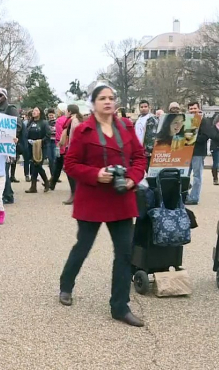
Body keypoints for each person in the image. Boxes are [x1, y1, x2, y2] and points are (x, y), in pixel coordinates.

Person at [59, 85, 147, 327]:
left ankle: (120, 307)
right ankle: (66, 285)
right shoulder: (84, 130)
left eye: (111, 98)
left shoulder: (126, 127)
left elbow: (140, 158)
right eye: (102, 98)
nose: (108, 102)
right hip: (92, 199)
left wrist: (132, 177)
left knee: (124, 253)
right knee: (83, 247)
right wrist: (96, 174)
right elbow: (71, 164)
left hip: (121, 198)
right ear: (93, 103)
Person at [186, 101, 219, 205]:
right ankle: (184, 195)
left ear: (199, 108)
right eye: (191, 109)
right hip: (186, 152)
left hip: (198, 151)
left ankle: (194, 197)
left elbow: (205, 137)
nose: (193, 110)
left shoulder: (204, 121)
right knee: (185, 175)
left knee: (197, 176)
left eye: (194, 108)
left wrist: (192, 138)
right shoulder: (187, 120)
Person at [0, 88, 20, 204]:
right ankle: (6, 193)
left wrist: (11, 137)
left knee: (3, 170)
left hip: (6, 145)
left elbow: (18, 125)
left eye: (0, 95)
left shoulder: (11, 109)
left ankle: (7, 195)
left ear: (5, 97)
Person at [24, 107, 51, 193]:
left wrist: (39, 142)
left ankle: (46, 182)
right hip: (31, 147)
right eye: (33, 111)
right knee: (34, 165)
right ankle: (33, 186)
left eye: (36, 110)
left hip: (41, 147)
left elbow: (48, 135)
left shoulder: (44, 123)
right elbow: (26, 134)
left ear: (40, 113)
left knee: (38, 165)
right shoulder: (30, 123)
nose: (34, 112)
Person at [134, 100, 157, 168]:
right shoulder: (138, 119)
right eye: (141, 107)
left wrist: (149, 149)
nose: (143, 108)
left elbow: (152, 135)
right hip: (138, 148)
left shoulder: (152, 119)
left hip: (147, 150)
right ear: (139, 108)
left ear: (149, 107)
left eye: (145, 107)